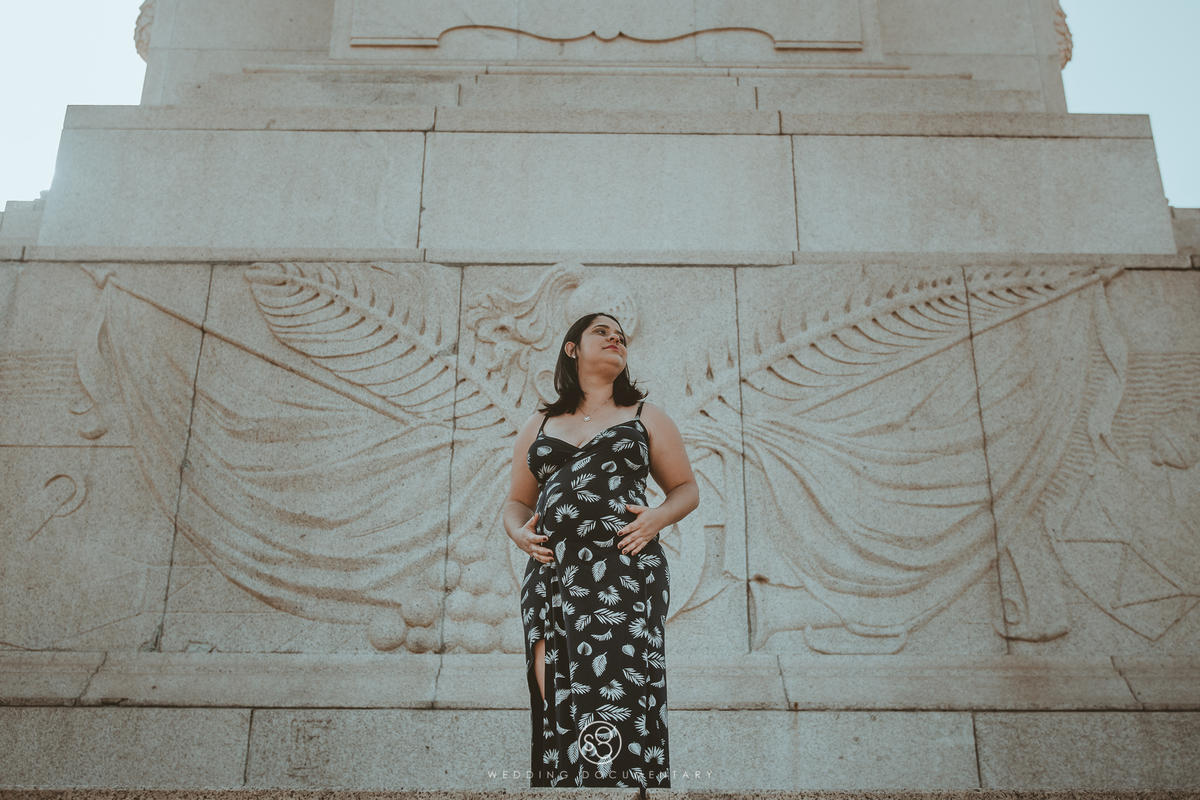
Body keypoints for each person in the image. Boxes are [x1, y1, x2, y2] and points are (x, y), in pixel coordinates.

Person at [503, 312, 700, 789]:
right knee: (553, 681)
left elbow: (686, 489)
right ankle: (569, 787)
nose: (616, 339)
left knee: (619, 684)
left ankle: (623, 788)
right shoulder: (539, 423)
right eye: (602, 332)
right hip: (553, 571)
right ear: (572, 348)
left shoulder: (645, 417)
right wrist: (518, 533)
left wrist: (657, 517)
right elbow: (516, 501)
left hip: (624, 569)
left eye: (621, 337)